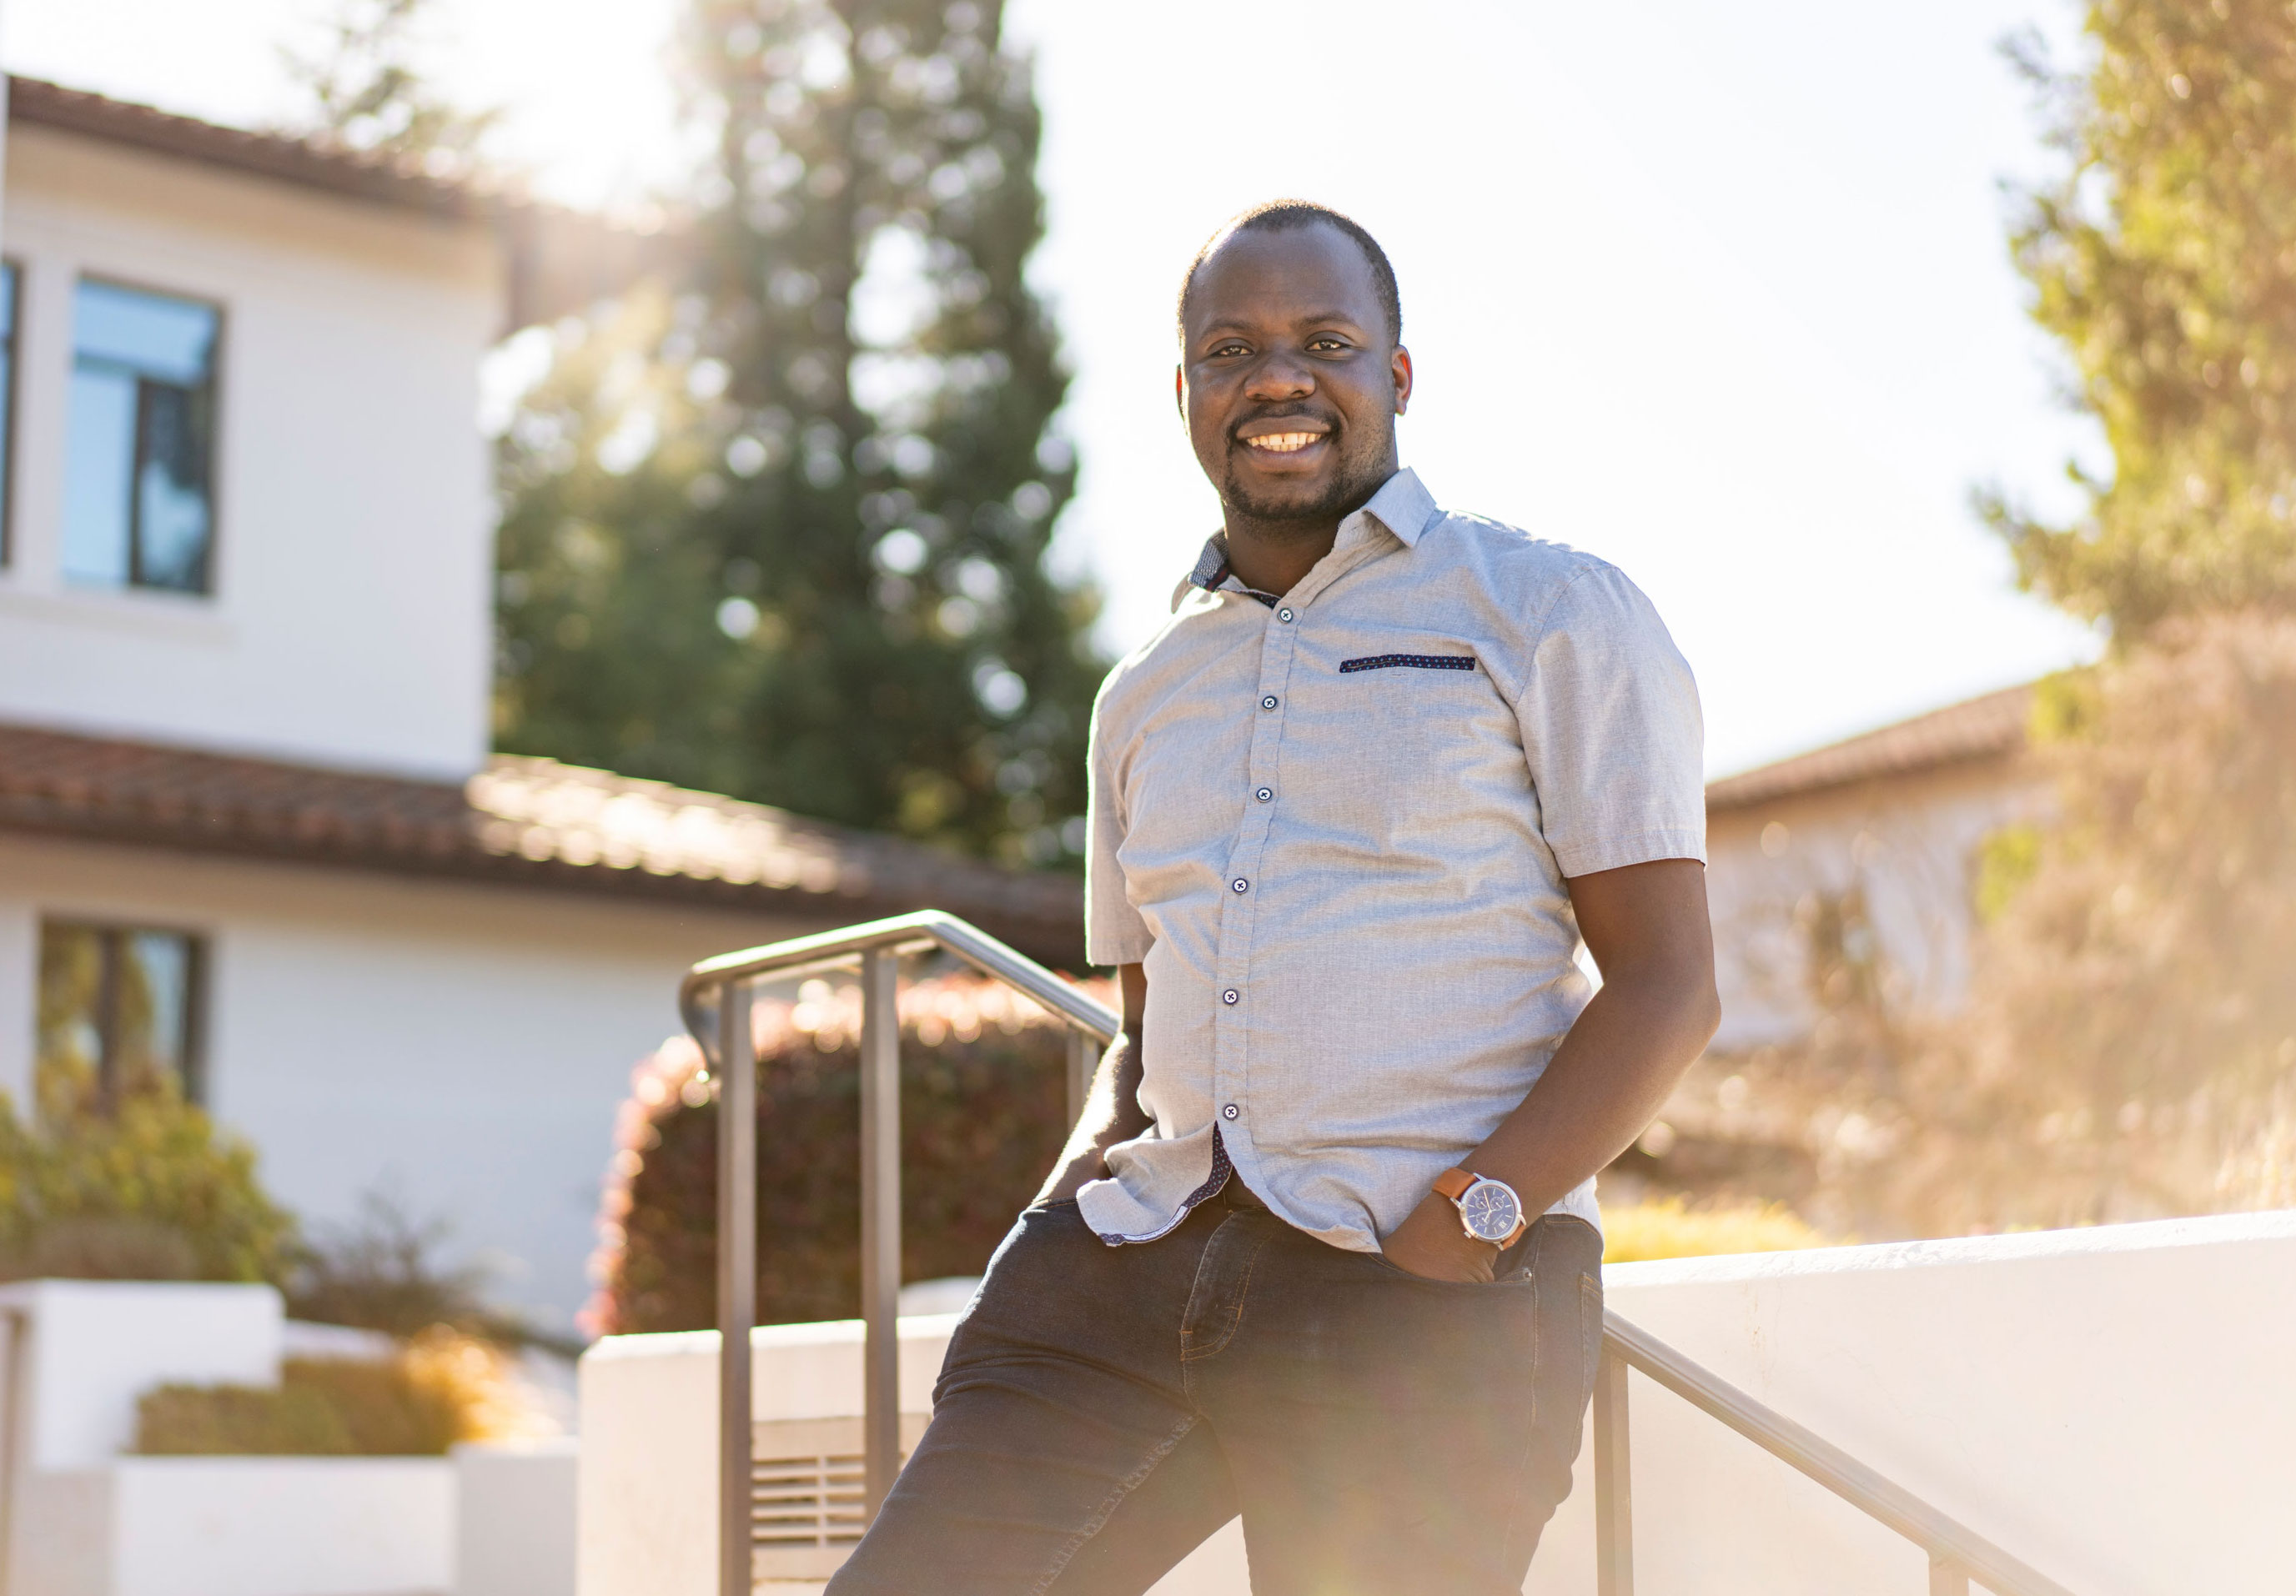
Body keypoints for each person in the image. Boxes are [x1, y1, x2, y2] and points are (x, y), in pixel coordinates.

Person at [827, 200, 1720, 1596]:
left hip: (1412, 1290)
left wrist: (1469, 1224)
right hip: (1131, 1266)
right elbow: (1142, 1019)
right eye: (1232, 347)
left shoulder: (1549, 610)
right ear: (1186, 393)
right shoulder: (1142, 696)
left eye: (1326, 342)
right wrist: (1063, 1210)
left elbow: (1668, 982)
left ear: (1396, 379)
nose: (1278, 378)